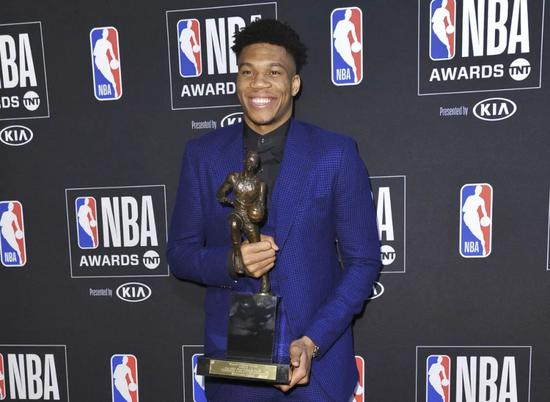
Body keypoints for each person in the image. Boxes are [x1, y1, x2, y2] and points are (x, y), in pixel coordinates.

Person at [167, 19, 380, 401]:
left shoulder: (335, 154)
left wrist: (313, 341)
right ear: (237, 80)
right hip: (234, 367)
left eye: (274, 72)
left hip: (318, 369)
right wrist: (233, 262)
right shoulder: (202, 155)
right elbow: (180, 254)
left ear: (294, 84)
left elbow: (363, 262)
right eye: (248, 72)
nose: (259, 84)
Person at [93, 28, 119, 97]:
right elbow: (94, 53)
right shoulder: (98, 41)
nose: (105, 34)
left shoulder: (108, 43)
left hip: (104, 59)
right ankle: (113, 85)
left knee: (109, 74)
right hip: (98, 60)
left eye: (107, 33)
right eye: (104, 33)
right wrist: (99, 54)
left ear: (107, 34)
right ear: (102, 34)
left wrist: (114, 59)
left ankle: (115, 89)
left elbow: (112, 53)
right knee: (103, 73)